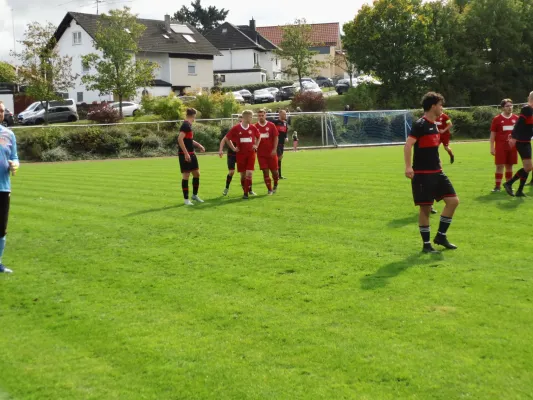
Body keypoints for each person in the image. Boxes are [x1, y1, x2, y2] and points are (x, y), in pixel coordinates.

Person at [404, 92, 459, 253]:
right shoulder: (420, 124)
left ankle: (441, 236)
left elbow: (432, 147)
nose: (442, 107)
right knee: (426, 209)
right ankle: (427, 245)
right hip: (422, 174)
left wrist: (439, 160)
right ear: (433, 106)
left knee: (453, 201)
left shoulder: (436, 124)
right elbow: (408, 146)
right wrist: (408, 167)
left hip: (437, 172)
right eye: (440, 104)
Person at [0, 101, 19, 273]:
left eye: (1, 111)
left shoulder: (8, 135)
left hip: (3, 188)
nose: (0, 113)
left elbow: (15, 157)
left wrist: (15, 165)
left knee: (1, 228)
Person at [224, 110, 261, 199]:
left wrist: (256, 145)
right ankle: (246, 190)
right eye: (251, 117)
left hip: (251, 154)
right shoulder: (236, 128)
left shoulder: (253, 127)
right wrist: (233, 148)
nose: (252, 118)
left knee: (249, 173)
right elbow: (227, 138)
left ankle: (246, 193)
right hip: (240, 155)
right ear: (246, 117)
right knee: (243, 175)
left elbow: (259, 136)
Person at [504, 91, 533, 197]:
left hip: (526, 141)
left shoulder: (531, 110)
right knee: (528, 167)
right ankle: (509, 183)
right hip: (521, 141)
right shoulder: (527, 109)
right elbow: (519, 123)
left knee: (527, 167)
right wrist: (514, 137)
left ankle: (519, 191)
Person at [218, 116, 255, 196]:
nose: (241, 122)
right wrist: (221, 150)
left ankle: (250, 190)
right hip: (232, 154)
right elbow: (224, 140)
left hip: (242, 154)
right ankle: (226, 188)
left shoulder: (248, 130)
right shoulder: (234, 130)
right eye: (239, 121)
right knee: (231, 172)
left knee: (247, 173)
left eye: (242, 121)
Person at [178, 108, 205, 206]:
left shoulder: (189, 125)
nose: (195, 118)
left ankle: (194, 195)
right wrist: (186, 153)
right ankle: (186, 200)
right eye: (195, 116)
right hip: (185, 154)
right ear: (193, 115)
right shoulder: (185, 125)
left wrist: (199, 145)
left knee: (197, 174)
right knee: (186, 176)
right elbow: (180, 139)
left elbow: (189, 140)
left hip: (191, 153)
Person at [490, 99, 518, 192]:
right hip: (500, 146)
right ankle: (497, 186)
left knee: (509, 166)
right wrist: (492, 147)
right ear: (502, 108)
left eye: (511, 105)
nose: (510, 107)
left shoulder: (516, 118)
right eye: (507, 106)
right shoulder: (497, 119)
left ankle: (508, 185)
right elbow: (493, 134)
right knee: (499, 166)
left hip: (512, 147)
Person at [255, 109, 280, 195]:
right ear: (257, 116)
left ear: (265, 115)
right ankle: (269, 189)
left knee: (275, 172)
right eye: (259, 116)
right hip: (261, 154)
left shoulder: (271, 125)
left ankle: (276, 184)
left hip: (271, 153)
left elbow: (276, 137)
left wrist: (274, 149)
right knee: (265, 171)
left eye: (262, 115)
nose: (261, 117)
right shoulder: (255, 127)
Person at [273, 109, 289, 179]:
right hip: (276, 143)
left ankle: (279, 175)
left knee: (279, 159)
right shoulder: (275, 122)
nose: (285, 115)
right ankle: (275, 174)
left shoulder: (285, 123)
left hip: (282, 143)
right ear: (280, 114)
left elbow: (285, 132)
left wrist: (286, 137)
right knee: (279, 157)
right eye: (284, 114)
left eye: (285, 114)